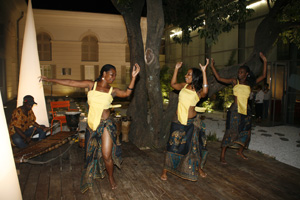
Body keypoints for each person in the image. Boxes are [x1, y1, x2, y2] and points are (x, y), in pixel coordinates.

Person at [40, 63, 140, 192]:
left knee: (106, 155)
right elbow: (71, 82)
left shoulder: (112, 91)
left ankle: (111, 177)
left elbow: (127, 93)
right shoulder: (91, 85)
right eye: (111, 74)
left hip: (106, 124)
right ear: (104, 74)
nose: (113, 77)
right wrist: (49, 79)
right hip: (92, 125)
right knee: (89, 154)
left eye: (114, 75)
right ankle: (93, 173)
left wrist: (133, 77)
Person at [210, 52, 267, 164]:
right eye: (238, 72)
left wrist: (264, 61)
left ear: (246, 74)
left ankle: (240, 151)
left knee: (247, 132)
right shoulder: (234, 82)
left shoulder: (250, 84)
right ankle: (222, 155)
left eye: (241, 72)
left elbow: (264, 76)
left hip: (246, 110)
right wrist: (212, 66)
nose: (239, 74)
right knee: (230, 131)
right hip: (235, 110)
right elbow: (219, 78)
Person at [161, 59, 209, 181]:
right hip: (177, 121)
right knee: (172, 145)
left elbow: (206, 91)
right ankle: (165, 170)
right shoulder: (183, 85)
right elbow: (173, 84)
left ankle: (198, 168)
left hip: (191, 123)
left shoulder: (198, 92)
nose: (186, 75)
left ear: (195, 78)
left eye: (188, 74)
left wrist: (204, 71)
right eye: (186, 73)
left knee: (193, 147)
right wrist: (176, 69)